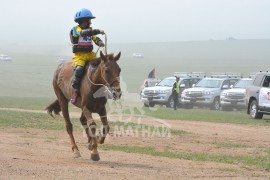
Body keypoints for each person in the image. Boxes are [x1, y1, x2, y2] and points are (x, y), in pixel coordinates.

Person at [70, 8, 105, 104]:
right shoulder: (76, 29)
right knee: (79, 69)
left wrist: (100, 42)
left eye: (90, 20)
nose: (90, 22)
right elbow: (83, 33)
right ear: (82, 21)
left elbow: (94, 37)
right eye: (88, 20)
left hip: (90, 55)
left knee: (102, 66)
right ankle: (76, 91)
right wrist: (98, 31)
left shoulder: (90, 30)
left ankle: (103, 87)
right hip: (80, 56)